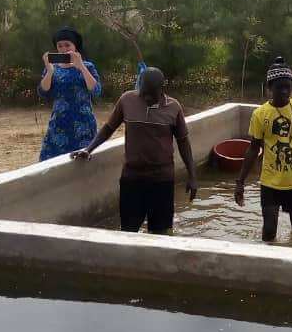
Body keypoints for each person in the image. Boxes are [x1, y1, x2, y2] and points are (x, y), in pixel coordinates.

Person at [72, 67, 198, 235]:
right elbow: (109, 128)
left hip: (162, 179)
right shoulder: (127, 100)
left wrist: (192, 175)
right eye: (144, 93)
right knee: (128, 231)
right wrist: (89, 149)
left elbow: (183, 142)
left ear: (162, 89)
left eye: (151, 95)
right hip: (132, 178)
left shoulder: (173, 107)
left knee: (160, 232)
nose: (147, 98)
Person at [234, 59, 292, 243]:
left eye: (288, 87)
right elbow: (253, 149)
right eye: (280, 88)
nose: (285, 92)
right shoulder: (260, 114)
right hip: (270, 183)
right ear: (270, 88)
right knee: (269, 231)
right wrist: (240, 182)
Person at [38, 27, 102, 160]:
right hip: (59, 123)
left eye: (67, 45)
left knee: (83, 163)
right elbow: (43, 92)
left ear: (75, 46)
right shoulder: (52, 68)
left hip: (83, 124)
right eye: (60, 46)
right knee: (53, 163)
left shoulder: (88, 66)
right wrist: (49, 71)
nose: (64, 49)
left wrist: (81, 67)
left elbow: (96, 90)